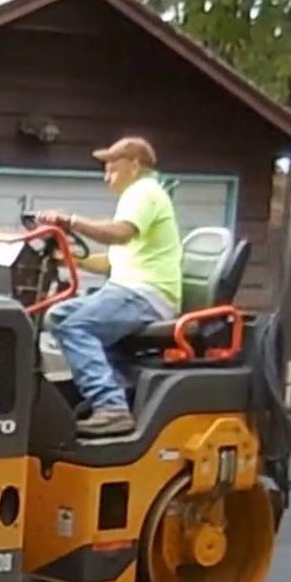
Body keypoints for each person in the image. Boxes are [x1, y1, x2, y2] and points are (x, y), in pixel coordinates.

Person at [34, 136, 183, 437]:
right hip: (134, 290)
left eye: (111, 169)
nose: (106, 178)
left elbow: (119, 233)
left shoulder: (143, 193)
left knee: (68, 322)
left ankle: (111, 406)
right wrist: (69, 259)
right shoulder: (142, 196)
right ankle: (123, 393)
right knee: (66, 316)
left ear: (134, 165)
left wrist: (70, 221)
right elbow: (112, 261)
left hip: (145, 294)